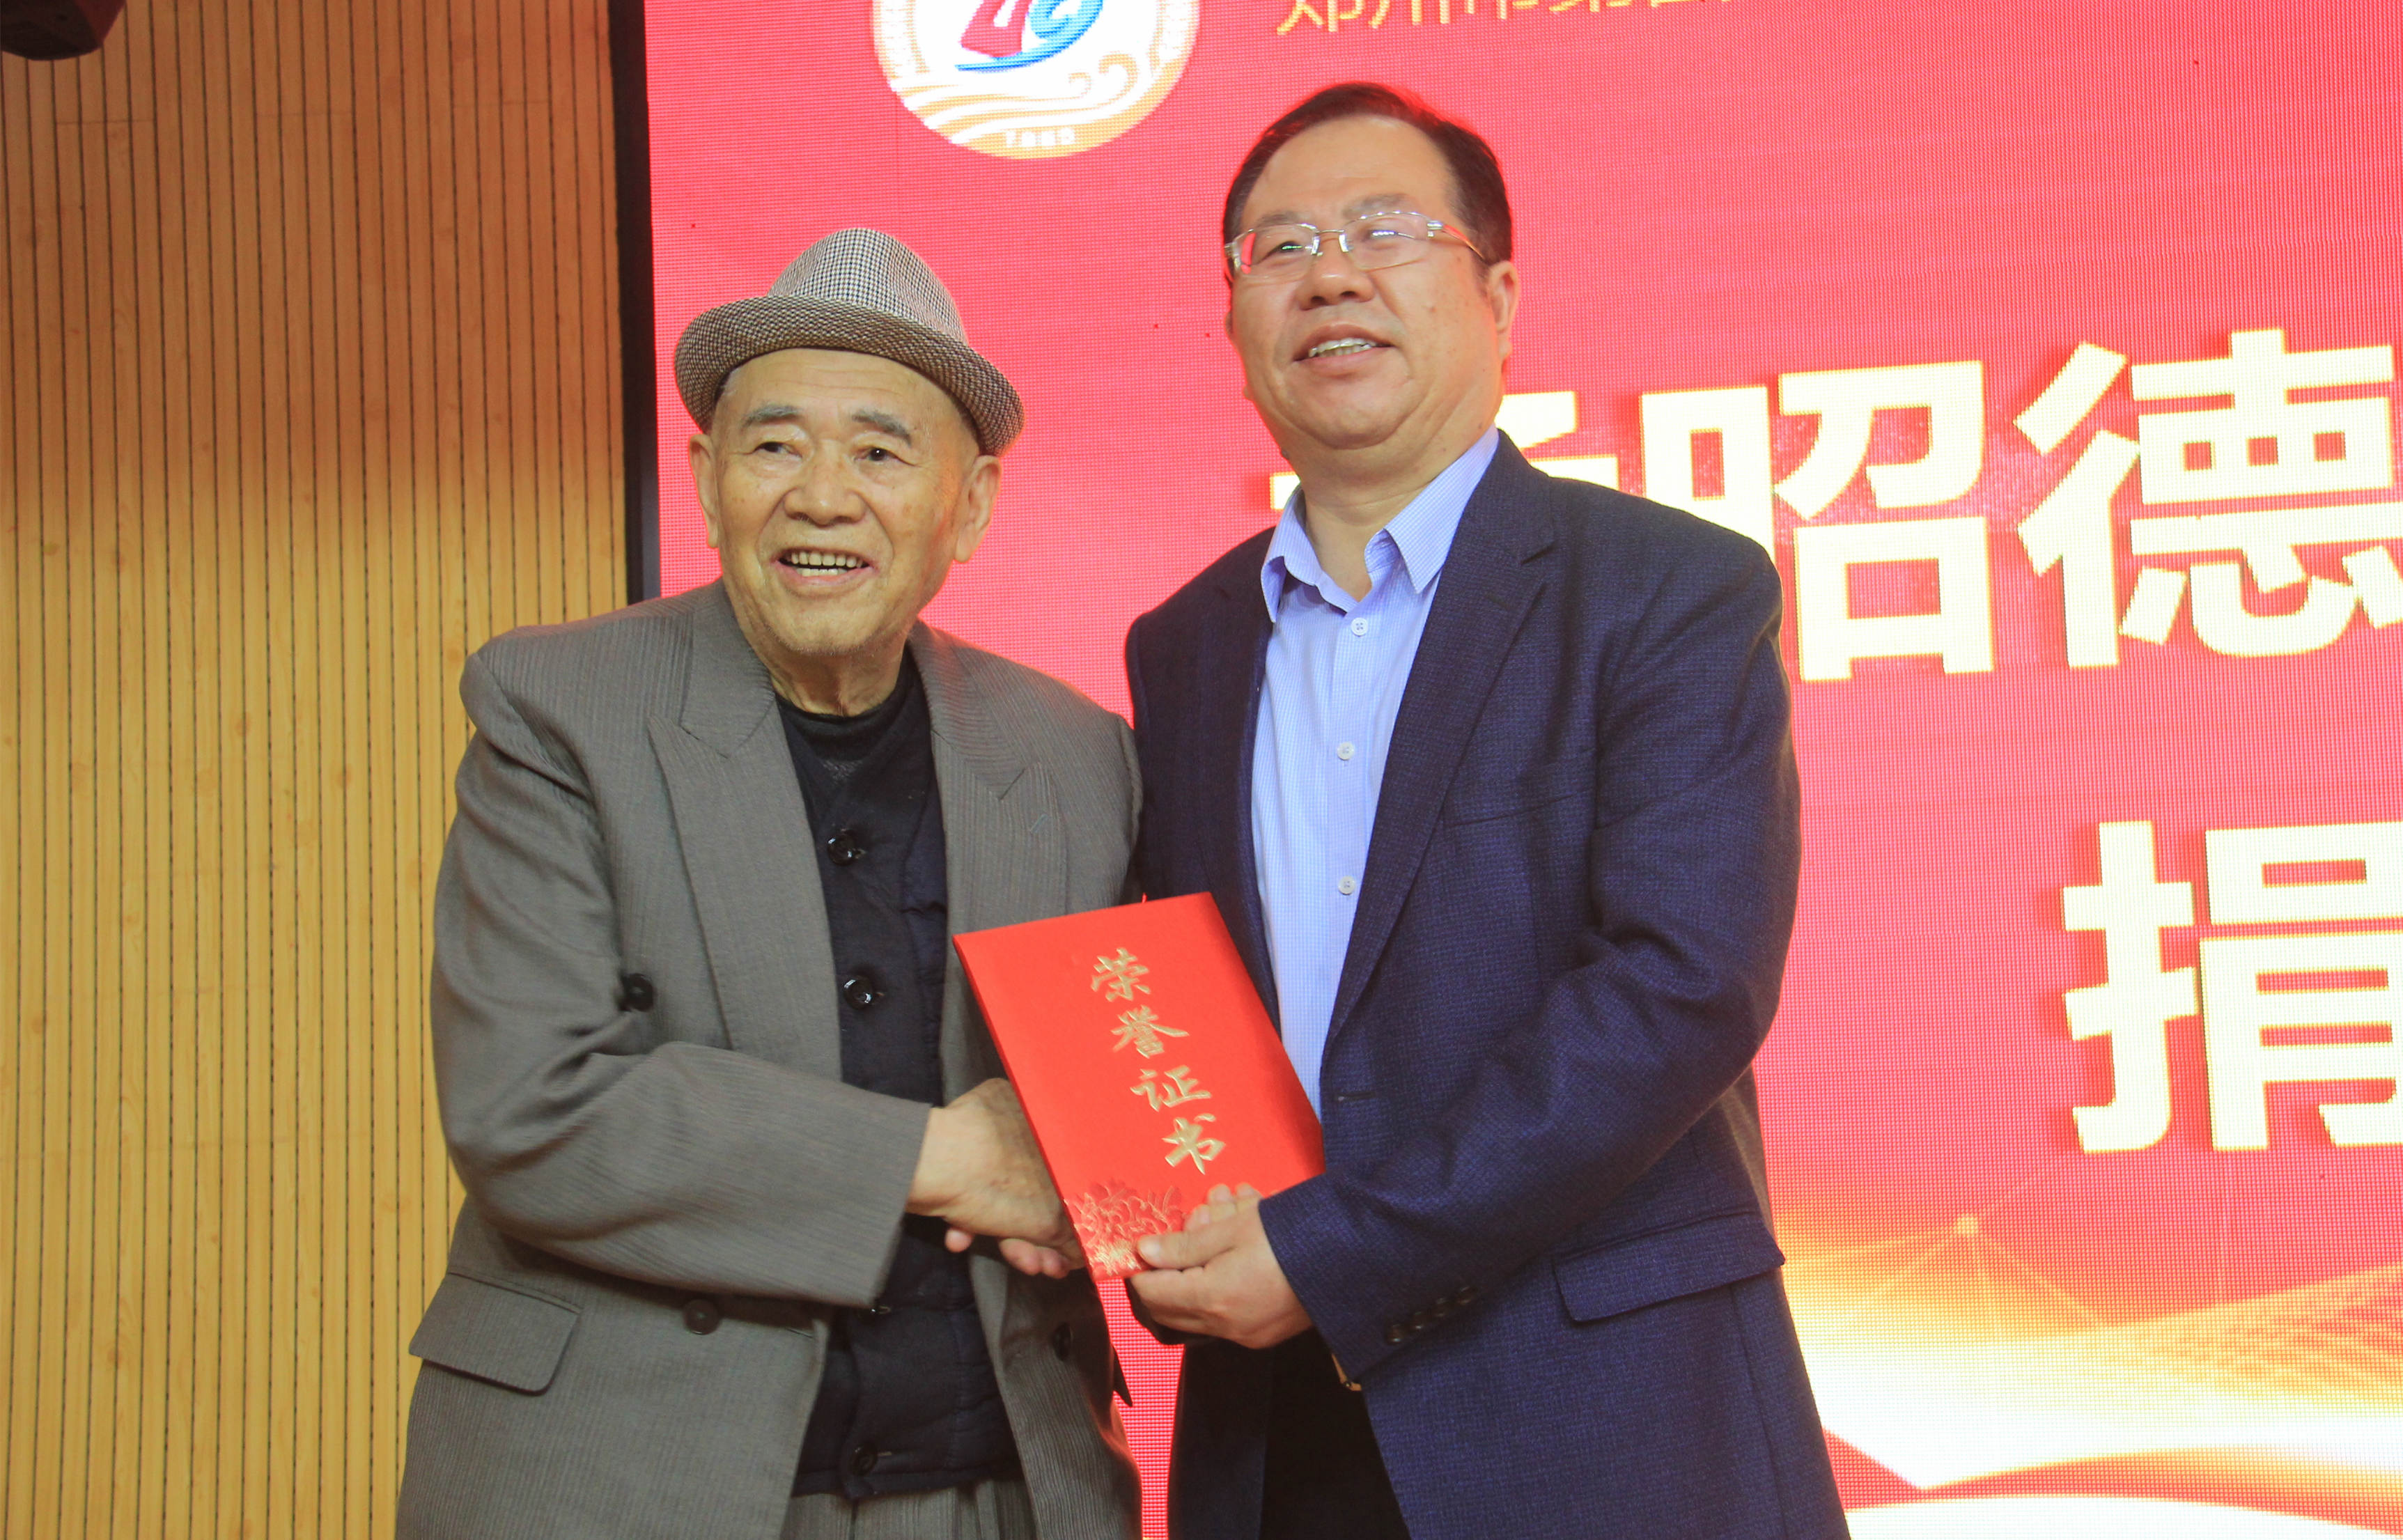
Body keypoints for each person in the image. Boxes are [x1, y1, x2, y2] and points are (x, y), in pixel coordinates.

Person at [1122, 84, 1849, 1540]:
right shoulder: (1182, 646)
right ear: (1235, 322)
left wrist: (1333, 1250)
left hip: (1603, 1416)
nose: (1331, 274)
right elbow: (1173, 1006)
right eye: (1280, 247)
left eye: (1385, 231)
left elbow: (1680, 986)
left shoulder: (1667, 590)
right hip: (1279, 1432)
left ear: (1499, 298)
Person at [398, 229, 1141, 1540]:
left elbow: (1129, 1092)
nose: (822, 496)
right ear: (706, 480)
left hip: (993, 1485)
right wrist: (949, 1157)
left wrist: (1103, 1185)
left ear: (969, 507)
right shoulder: (558, 705)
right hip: (634, 1478)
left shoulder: (1077, 754)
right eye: (775, 445)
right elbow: (532, 1107)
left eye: (881, 453)